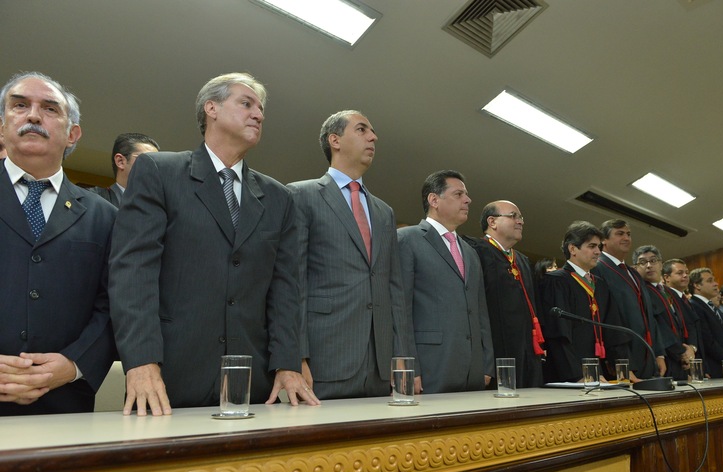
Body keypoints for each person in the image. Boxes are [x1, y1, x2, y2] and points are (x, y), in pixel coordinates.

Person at [110, 72, 318, 416]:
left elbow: (285, 289)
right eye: (246, 104)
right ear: (212, 108)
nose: (258, 115)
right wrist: (141, 360)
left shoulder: (279, 198)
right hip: (168, 378)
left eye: (261, 109)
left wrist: (287, 362)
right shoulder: (159, 171)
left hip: (252, 384)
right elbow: (133, 272)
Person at [0, 72, 116, 415]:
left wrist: (74, 364)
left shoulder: (105, 217)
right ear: (2, 127)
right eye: (20, 105)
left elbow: (114, 306)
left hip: (66, 406)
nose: (34, 116)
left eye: (50, 109)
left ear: (72, 134)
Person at [287, 110, 410, 400]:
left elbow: (394, 289)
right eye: (362, 129)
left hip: (380, 366)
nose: (373, 137)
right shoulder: (301, 195)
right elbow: (293, 283)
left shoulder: (384, 212)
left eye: (373, 131)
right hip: (324, 360)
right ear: (335, 140)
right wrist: (295, 357)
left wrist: (401, 355)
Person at [397, 170, 493, 393]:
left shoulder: (470, 252)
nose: (467, 200)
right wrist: (408, 367)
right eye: (458, 194)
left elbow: (480, 311)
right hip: (430, 366)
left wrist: (487, 363)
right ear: (434, 200)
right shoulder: (407, 240)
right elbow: (400, 309)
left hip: (474, 370)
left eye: (466, 195)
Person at [464, 201, 545, 388]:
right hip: (494, 350)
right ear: (492, 222)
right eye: (513, 216)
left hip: (527, 350)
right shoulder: (475, 251)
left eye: (521, 218)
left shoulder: (522, 260)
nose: (520, 222)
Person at [541, 221, 629, 382]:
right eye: (592, 246)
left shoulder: (600, 284)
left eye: (599, 247)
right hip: (570, 374)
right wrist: (578, 375)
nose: (598, 252)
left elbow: (613, 329)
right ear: (572, 249)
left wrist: (621, 368)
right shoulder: (556, 281)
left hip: (600, 372)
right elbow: (558, 334)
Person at [593, 219, 660, 379]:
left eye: (628, 234)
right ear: (604, 240)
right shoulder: (597, 268)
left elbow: (649, 315)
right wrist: (621, 363)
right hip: (623, 360)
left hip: (647, 356)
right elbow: (608, 320)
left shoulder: (634, 273)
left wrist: (659, 354)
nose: (626, 238)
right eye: (620, 233)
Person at [632, 245, 694, 380]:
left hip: (683, 359)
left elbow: (688, 322)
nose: (649, 265)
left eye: (653, 261)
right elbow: (659, 326)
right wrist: (682, 352)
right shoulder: (640, 293)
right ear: (636, 268)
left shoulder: (669, 292)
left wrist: (691, 348)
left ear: (661, 264)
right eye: (643, 262)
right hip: (663, 358)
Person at [688, 268, 723, 378]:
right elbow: (707, 340)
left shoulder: (712, 307)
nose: (716, 284)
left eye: (714, 280)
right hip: (713, 368)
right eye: (710, 281)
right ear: (697, 285)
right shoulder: (694, 305)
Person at [89, 133, 160, 207]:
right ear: (120, 161)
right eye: (148, 161)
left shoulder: (160, 207)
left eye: (157, 164)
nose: (154, 169)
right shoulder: (91, 200)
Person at [661, 258, 702, 361]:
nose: (685, 275)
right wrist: (683, 353)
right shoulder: (665, 297)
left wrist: (692, 348)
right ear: (667, 277)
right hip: (675, 358)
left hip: (692, 356)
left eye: (687, 272)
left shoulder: (685, 299)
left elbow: (692, 326)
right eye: (680, 273)